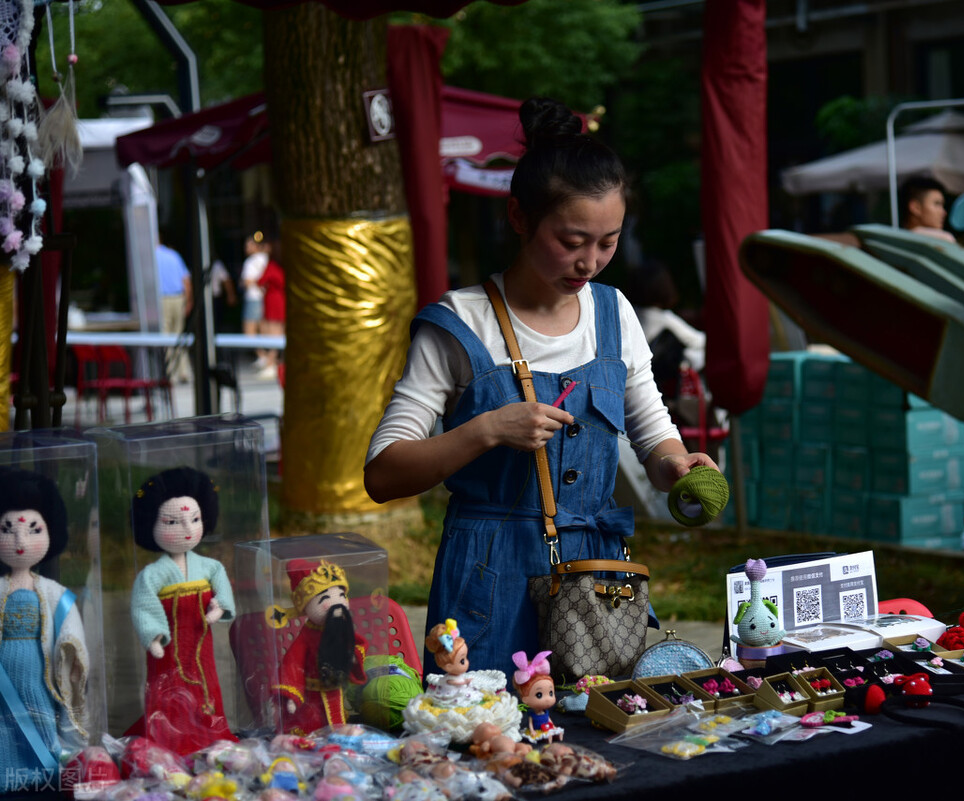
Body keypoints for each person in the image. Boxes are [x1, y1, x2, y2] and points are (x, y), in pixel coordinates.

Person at [363, 96, 718, 676]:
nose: (590, 262)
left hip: (592, 580)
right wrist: (487, 430)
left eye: (608, 242)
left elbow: (653, 433)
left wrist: (678, 467)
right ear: (521, 217)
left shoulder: (614, 312)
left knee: (598, 735)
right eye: (573, 240)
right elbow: (382, 473)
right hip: (486, 576)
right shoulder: (462, 323)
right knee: (483, 738)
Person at [129, 467, 236, 756]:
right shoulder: (153, 574)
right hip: (168, 646)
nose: (188, 530)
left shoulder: (210, 567)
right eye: (173, 522)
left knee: (206, 686)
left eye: (195, 519)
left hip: (201, 643)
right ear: (152, 524)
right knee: (168, 693)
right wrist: (153, 636)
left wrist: (219, 606)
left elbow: (223, 593)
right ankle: (169, 739)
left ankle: (208, 734)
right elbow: (142, 605)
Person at [0, 469, 88, 793]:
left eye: (33, 529)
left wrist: (70, 647)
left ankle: (43, 774)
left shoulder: (52, 592)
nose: (20, 542)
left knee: (40, 720)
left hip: (40, 674)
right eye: (7, 530)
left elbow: (69, 628)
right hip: (2, 679)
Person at [271, 559, 367, 734]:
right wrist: (291, 697)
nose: (338, 603)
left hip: (335, 689)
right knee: (312, 723)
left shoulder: (340, 628)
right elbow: (293, 664)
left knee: (337, 719)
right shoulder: (306, 637)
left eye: (341, 595)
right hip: (311, 695)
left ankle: (340, 736)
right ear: (306, 607)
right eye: (326, 598)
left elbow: (357, 643)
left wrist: (352, 657)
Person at [156, 234, 193, 383]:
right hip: (179, 298)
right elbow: (186, 280)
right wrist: (189, 300)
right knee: (179, 335)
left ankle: (170, 372)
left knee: (166, 336)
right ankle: (183, 371)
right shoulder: (173, 255)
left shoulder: (149, 257)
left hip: (161, 299)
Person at [256, 244, 286, 380]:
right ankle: (276, 362)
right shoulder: (284, 265)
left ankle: (271, 363)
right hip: (282, 299)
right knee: (280, 331)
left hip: (273, 300)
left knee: (274, 334)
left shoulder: (272, 266)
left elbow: (261, 281)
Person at [241, 232, 270, 369]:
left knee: (250, 331)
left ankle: (263, 356)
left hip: (253, 298)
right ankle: (267, 357)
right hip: (265, 298)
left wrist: (250, 283)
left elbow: (247, 282)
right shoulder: (267, 259)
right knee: (263, 329)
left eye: (249, 244)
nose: (246, 247)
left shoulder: (251, 262)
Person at [900, 176, 956, 243]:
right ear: (916, 208)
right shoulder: (943, 239)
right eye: (937, 204)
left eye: (942, 206)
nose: (943, 212)